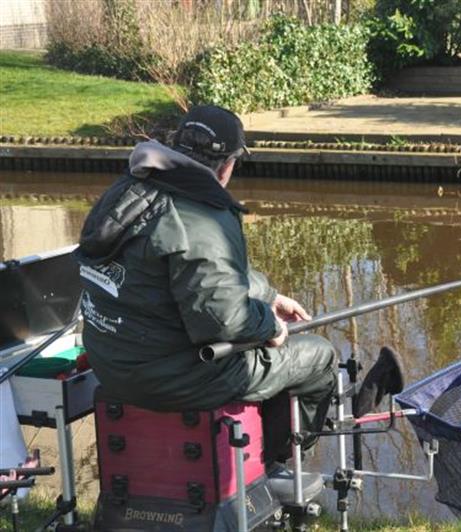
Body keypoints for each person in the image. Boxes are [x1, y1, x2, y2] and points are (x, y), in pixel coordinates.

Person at [73, 105, 337, 494]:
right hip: (173, 378)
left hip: (111, 364)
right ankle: (272, 467)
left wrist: (268, 295)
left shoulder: (131, 189)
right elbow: (223, 320)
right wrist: (269, 325)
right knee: (319, 356)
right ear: (227, 165)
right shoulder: (204, 214)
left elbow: (199, 270)